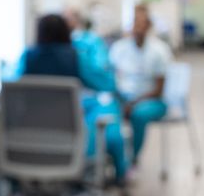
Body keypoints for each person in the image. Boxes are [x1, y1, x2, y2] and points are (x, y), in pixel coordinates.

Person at [18, 14, 128, 183]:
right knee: (109, 127)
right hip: (71, 137)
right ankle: (119, 176)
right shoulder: (75, 58)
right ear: (66, 33)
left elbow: (12, 82)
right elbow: (106, 83)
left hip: (34, 139)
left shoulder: (27, 57)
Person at [109, 4, 173, 170]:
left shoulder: (159, 50)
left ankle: (131, 160)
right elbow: (110, 77)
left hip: (151, 100)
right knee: (107, 112)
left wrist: (134, 103)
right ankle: (113, 160)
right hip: (123, 97)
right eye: (135, 24)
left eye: (142, 25)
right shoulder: (119, 48)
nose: (138, 29)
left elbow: (159, 90)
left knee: (138, 115)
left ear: (149, 27)